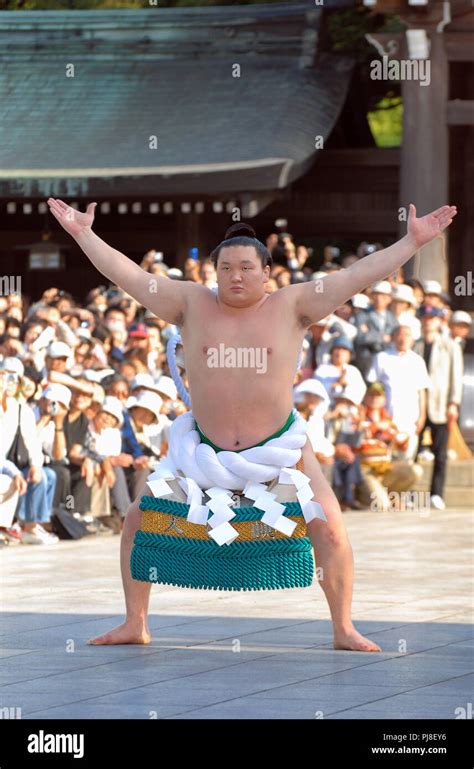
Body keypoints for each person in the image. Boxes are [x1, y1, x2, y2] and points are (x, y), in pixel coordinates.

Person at [47, 195, 456, 651]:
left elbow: (358, 275)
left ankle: (343, 627)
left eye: (245, 268)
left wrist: (411, 242)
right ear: (214, 272)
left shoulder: (294, 304)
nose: (235, 276)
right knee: (138, 518)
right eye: (225, 268)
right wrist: (84, 234)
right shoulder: (189, 304)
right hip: (202, 450)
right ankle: (135, 622)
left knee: (331, 527)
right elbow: (129, 276)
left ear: (265, 273)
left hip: (281, 449)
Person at [414, 305, 464, 510]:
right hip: (417, 405)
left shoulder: (449, 345)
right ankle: (411, 492)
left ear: (438, 321)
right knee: (413, 451)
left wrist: (454, 403)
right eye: (425, 318)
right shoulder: (415, 345)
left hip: (440, 404)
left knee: (440, 452)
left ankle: (436, 494)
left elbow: (456, 376)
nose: (428, 322)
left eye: (431, 318)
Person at [368, 324, 431, 460]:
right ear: (392, 338)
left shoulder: (417, 361)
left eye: (407, 335)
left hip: (409, 419)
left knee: (405, 462)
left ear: (412, 340)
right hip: (385, 419)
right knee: (382, 461)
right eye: (400, 334)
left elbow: (422, 392)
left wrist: (422, 417)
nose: (403, 338)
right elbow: (374, 387)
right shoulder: (381, 358)